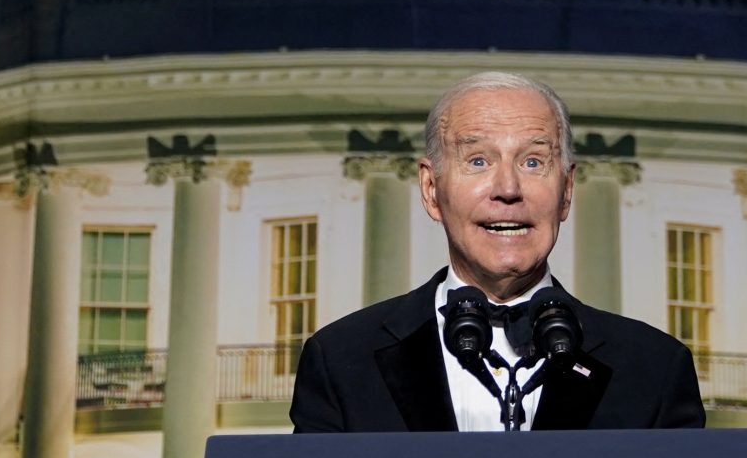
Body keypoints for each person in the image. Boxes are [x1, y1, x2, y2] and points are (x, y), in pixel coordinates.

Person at [289, 70, 705, 431]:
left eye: (532, 162)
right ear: (431, 190)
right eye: (477, 161)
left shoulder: (654, 370)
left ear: (566, 192)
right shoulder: (341, 361)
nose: (508, 189)